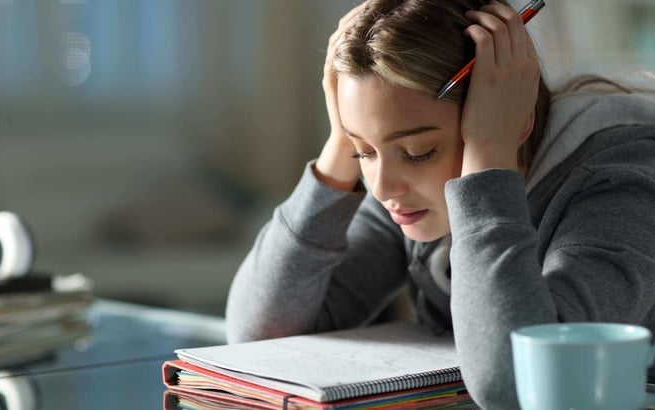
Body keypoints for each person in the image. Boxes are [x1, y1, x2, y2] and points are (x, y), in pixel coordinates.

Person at [225, 0, 655, 408]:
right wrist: (341, 145)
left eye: (417, 152)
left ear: (511, 120)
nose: (381, 188)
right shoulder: (408, 192)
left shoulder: (621, 186)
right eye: (365, 153)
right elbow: (259, 333)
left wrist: (488, 158)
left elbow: (516, 384)